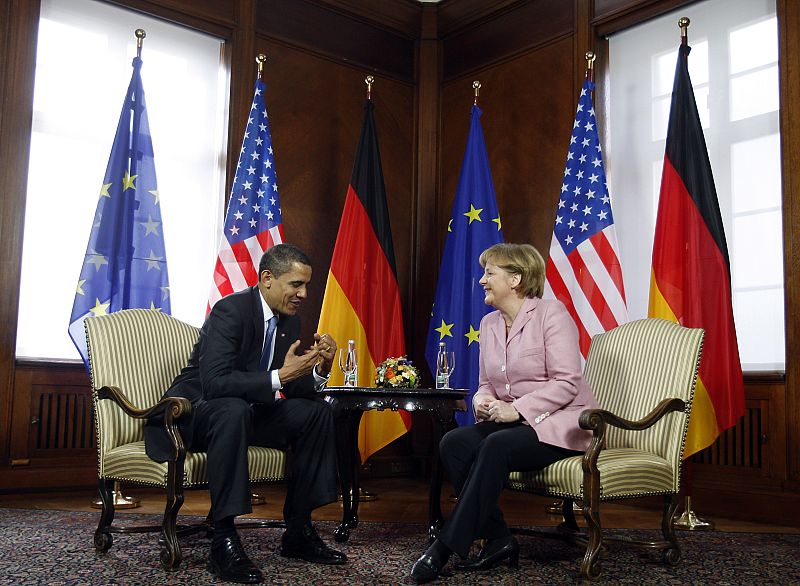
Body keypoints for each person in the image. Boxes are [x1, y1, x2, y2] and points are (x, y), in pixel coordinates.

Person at [144, 243, 346, 584]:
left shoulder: (289, 324)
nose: (304, 294)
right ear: (267, 279)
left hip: (240, 415)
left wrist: (318, 369)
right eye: (296, 284)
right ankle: (223, 539)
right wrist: (280, 376)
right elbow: (215, 384)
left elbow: (293, 389)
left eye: (306, 285)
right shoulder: (231, 310)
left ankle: (298, 530)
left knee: (317, 412)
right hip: (189, 415)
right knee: (232, 408)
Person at [411, 243, 599, 583]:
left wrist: (518, 410)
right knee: (454, 443)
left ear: (515, 279)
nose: (482, 280)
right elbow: (486, 383)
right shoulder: (489, 323)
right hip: (513, 424)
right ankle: (499, 540)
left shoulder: (551, 314)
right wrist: (484, 401)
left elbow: (567, 382)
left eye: (489, 273)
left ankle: (444, 547)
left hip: (562, 424)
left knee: (495, 446)